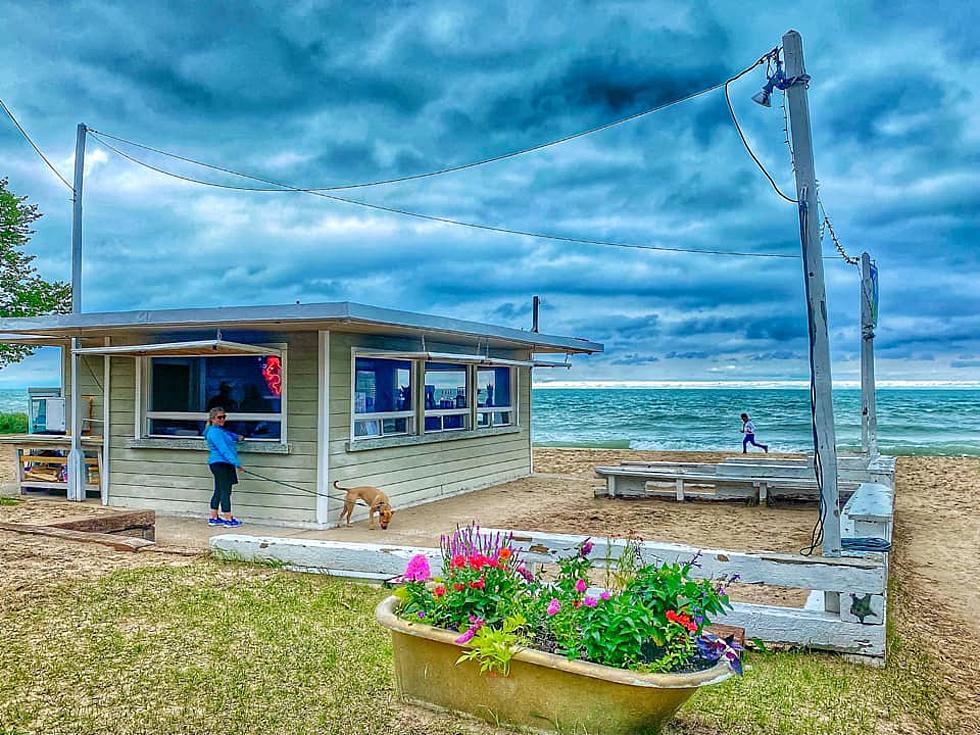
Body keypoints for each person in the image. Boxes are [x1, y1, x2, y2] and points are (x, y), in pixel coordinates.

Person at [204, 406, 245, 527]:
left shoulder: (218, 430)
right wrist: (237, 464)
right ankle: (228, 519)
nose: (222, 419)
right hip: (221, 464)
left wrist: (237, 437)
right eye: (219, 417)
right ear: (212, 418)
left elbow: (228, 435)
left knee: (218, 490)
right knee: (225, 491)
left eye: (224, 417)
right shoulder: (214, 432)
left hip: (222, 464)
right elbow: (224, 450)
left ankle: (214, 517)